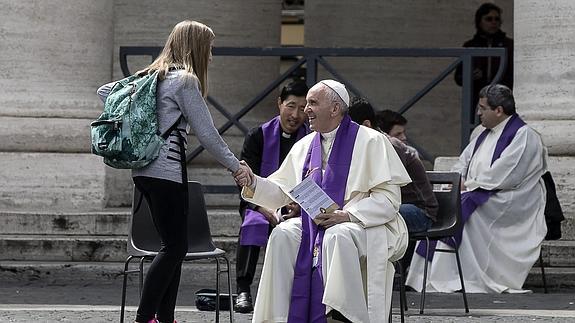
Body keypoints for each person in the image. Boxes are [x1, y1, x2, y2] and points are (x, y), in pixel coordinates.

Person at [97, 20, 250, 323]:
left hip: (143, 170)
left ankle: (165, 318)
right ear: (195, 47)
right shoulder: (185, 81)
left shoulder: (148, 76)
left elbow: (105, 92)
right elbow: (207, 134)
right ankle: (144, 318)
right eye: (209, 48)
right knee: (175, 246)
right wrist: (237, 167)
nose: (211, 56)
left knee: (174, 246)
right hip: (166, 169)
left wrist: (140, 118)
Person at [236, 80, 411, 322]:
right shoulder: (306, 145)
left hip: (366, 224)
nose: (305, 109)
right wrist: (253, 182)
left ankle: (340, 315)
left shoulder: (371, 141)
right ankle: (279, 316)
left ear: (335, 108)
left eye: (312, 103)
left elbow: (389, 199)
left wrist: (347, 215)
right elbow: (282, 189)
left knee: (337, 235)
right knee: (284, 234)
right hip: (316, 223)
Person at [406, 84, 548, 294]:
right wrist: (458, 180)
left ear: (499, 110)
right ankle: (425, 277)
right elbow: (464, 161)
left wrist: (468, 185)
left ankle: (456, 277)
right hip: (481, 191)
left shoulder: (524, 135)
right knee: (446, 202)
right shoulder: (482, 133)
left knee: (462, 205)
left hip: (511, 199)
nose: (479, 113)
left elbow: (508, 173)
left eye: (483, 108)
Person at [234, 80, 309, 313]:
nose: (295, 115)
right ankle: (243, 289)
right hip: (259, 205)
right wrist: (264, 208)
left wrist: (298, 205)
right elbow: (246, 180)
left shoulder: (310, 139)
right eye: (291, 106)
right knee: (253, 222)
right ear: (279, 104)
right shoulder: (258, 136)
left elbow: (313, 178)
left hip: (296, 206)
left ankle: (296, 291)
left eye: (302, 108)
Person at [349, 98, 438, 271]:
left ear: (366, 125)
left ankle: (383, 273)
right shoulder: (366, 144)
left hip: (420, 211)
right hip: (395, 205)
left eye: (349, 127)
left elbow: (385, 188)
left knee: (370, 218)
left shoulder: (389, 145)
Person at [454, 2, 514, 123]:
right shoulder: (470, 46)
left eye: (497, 19)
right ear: (479, 21)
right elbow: (458, 78)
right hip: (477, 101)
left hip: (502, 101)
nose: (493, 22)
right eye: (489, 19)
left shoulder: (509, 45)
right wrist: (471, 75)